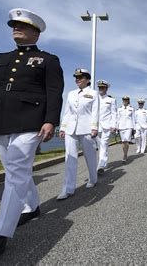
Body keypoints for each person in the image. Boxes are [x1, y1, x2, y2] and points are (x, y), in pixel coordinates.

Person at [0, 8, 64, 258]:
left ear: (36, 34)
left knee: (16, 174)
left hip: (30, 122)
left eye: (23, 25)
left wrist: (51, 121)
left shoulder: (48, 60)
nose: (15, 28)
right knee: (14, 171)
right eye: (14, 25)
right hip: (1, 122)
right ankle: (32, 206)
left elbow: (54, 92)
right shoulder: (0, 58)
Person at [57, 68, 99, 200]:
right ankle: (68, 188)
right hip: (70, 129)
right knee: (70, 157)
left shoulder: (93, 93)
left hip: (86, 129)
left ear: (87, 79)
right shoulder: (71, 94)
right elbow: (67, 112)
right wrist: (62, 128)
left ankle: (93, 178)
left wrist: (94, 127)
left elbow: (95, 112)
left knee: (90, 156)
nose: (78, 79)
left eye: (81, 77)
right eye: (76, 77)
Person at [96, 80, 117, 175]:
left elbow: (114, 113)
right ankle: (103, 162)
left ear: (106, 88)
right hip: (95, 126)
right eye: (99, 87)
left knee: (104, 144)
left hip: (107, 126)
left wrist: (114, 125)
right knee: (99, 145)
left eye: (102, 87)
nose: (100, 89)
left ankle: (101, 165)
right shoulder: (95, 98)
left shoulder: (111, 100)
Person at [117, 96, 135, 162]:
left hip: (129, 126)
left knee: (126, 141)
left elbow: (133, 118)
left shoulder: (131, 109)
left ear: (128, 101)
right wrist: (117, 127)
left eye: (126, 100)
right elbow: (118, 118)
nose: (125, 101)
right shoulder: (119, 109)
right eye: (124, 99)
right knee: (123, 141)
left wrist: (134, 128)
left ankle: (125, 155)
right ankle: (125, 154)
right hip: (121, 126)